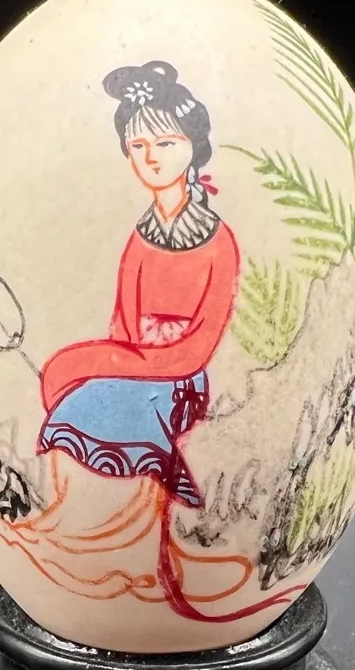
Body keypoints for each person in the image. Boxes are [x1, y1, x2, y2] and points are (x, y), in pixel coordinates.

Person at [38, 60, 240, 506]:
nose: (152, 157)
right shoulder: (140, 238)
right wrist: (111, 363)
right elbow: (123, 328)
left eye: (166, 142)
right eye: (138, 145)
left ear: (193, 147)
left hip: (183, 378)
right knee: (88, 398)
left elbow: (200, 345)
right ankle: (76, 524)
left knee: (96, 403)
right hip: (135, 364)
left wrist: (115, 365)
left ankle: (135, 525)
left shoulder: (218, 241)